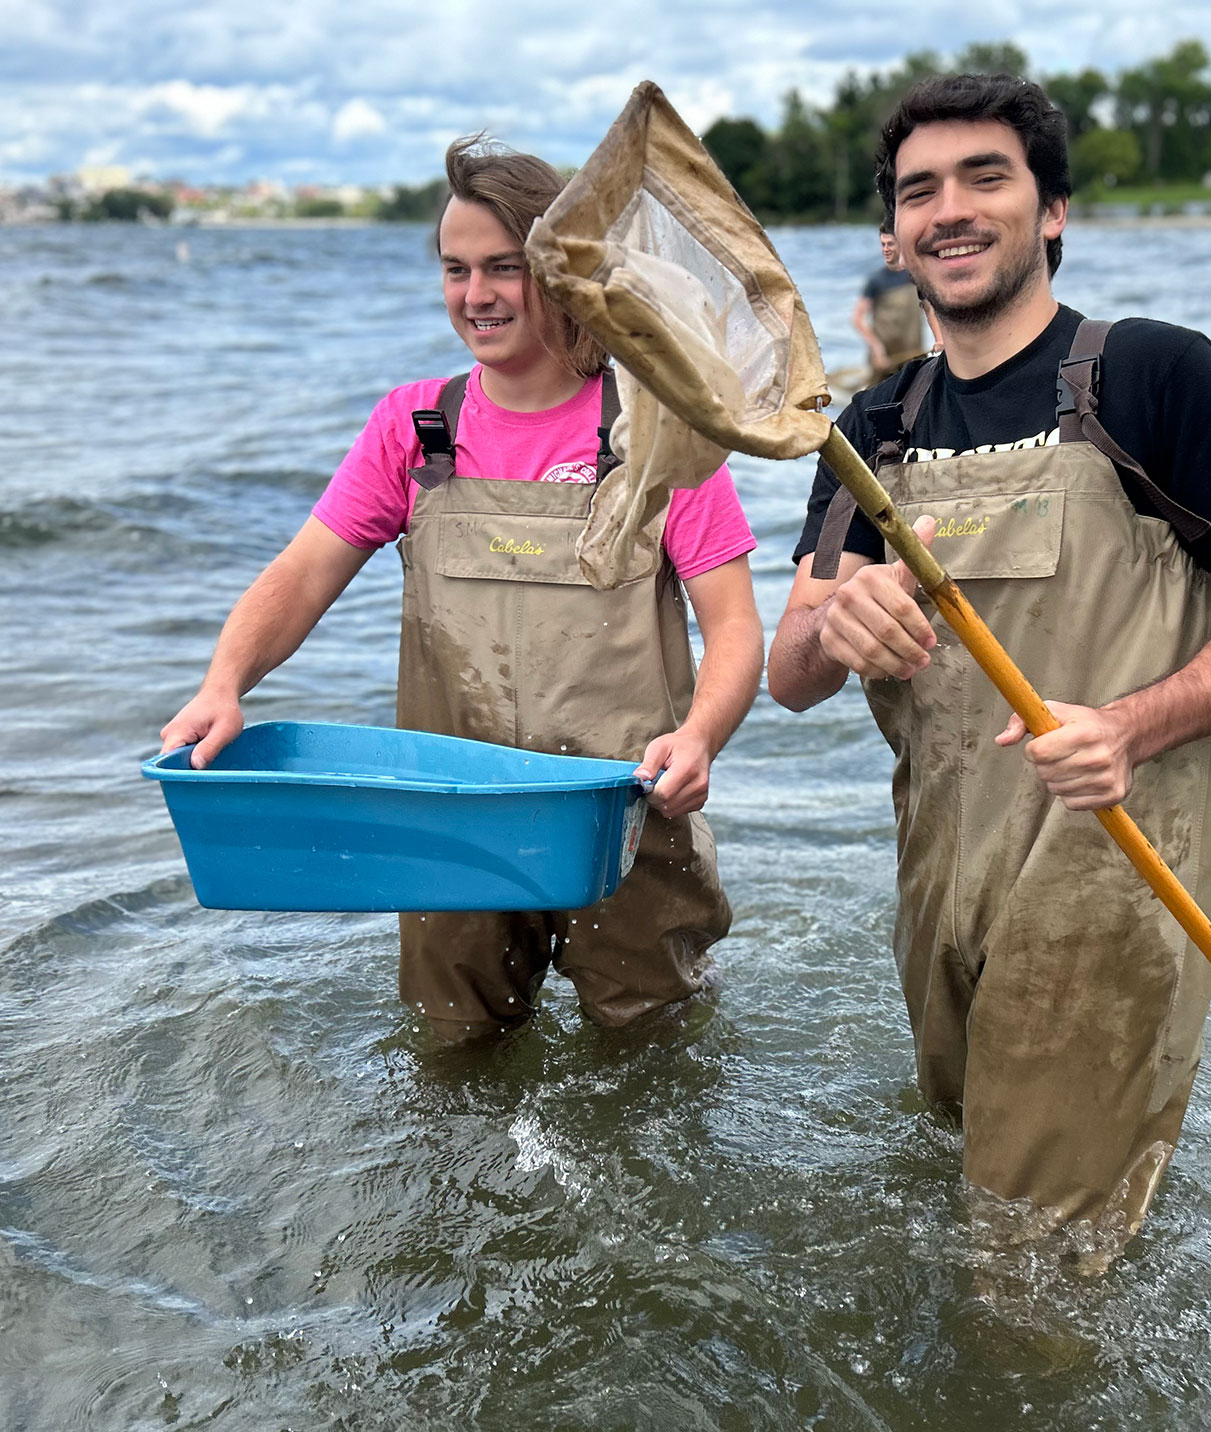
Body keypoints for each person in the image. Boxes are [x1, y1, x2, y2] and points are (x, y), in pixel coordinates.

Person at [766, 74, 1211, 1260]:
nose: (950, 210)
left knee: (1031, 1276)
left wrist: (1129, 726)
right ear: (890, 239)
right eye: (919, 191)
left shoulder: (1151, 376)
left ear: (1053, 212)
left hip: (1112, 882)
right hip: (937, 881)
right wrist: (845, 613)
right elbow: (788, 673)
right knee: (972, 1200)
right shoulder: (869, 429)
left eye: (987, 177)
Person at [161, 136, 764, 1043]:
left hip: (626, 819)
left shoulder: (655, 428)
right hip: (450, 831)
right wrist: (224, 683)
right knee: (454, 1065)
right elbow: (301, 572)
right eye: (455, 270)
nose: (475, 296)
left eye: (503, 269)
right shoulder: (415, 426)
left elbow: (737, 628)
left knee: (653, 1066)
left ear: (564, 272)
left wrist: (700, 737)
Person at [852, 223, 928, 383]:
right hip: (884, 358)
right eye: (883, 245)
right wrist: (877, 349)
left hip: (913, 355)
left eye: (891, 244)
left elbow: (934, 310)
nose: (887, 249)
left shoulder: (917, 276)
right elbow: (858, 319)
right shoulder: (876, 280)